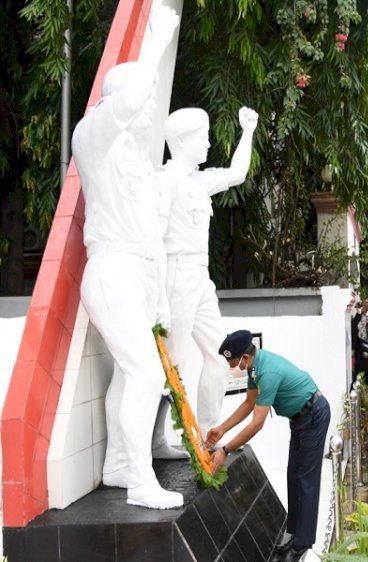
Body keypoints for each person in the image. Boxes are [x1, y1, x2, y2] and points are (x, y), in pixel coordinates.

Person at [71, 1, 183, 509]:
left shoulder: (139, 161)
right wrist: (156, 43)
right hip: (111, 270)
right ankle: (140, 479)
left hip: (137, 273)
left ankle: (118, 464)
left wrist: (159, 299)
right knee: (145, 373)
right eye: (142, 98)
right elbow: (135, 93)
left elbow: (152, 241)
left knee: (127, 371)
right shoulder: (94, 138)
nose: (148, 106)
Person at [152, 105, 258, 454]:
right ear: (180, 141)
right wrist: (160, 298)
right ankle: (154, 439)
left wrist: (248, 131)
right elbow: (155, 238)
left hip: (200, 277)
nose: (209, 143)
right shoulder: (165, 181)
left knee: (219, 356)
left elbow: (237, 174)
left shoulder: (199, 181)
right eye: (203, 137)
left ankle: (207, 435)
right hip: (176, 274)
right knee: (172, 364)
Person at [207, 330, 331, 562]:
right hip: (300, 419)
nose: (230, 365)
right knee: (293, 476)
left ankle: (302, 544)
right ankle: (294, 535)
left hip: (313, 415)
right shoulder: (254, 367)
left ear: (244, 356)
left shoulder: (266, 372)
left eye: (231, 360)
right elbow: (249, 403)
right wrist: (221, 429)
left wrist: (225, 450)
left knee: (306, 480)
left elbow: (256, 424)